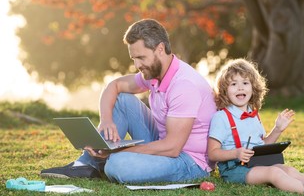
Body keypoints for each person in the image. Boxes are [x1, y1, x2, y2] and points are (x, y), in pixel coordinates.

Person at [41, 18, 217, 183]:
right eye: (134, 59)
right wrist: (106, 120)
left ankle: (106, 159)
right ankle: (86, 164)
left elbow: (172, 148)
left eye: (141, 57)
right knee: (123, 99)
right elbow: (114, 86)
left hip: (188, 160)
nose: (137, 65)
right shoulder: (154, 72)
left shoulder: (184, 85)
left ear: (160, 49)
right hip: (163, 144)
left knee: (118, 165)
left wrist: (119, 150)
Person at [207, 58, 304, 196]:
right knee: (274, 173)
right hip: (235, 169)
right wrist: (236, 153)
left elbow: (263, 145)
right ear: (225, 90)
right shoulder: (222, 117)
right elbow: (213, 153)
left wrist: (277, 129)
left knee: (287, 169)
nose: (240, 87)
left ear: (253, 88)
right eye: (233, 84)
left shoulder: (254, 115)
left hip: (256, 163)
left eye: (245, 83)